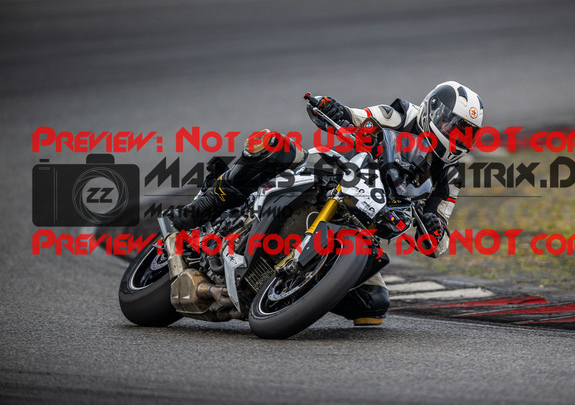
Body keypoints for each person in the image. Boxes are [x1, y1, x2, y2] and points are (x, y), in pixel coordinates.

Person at [168, 80, 484, 326]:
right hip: (337, 173)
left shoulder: (450, 176)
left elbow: (438, 240)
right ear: (433, 111)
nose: (457, 137)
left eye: (466, 134)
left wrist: (434, 227)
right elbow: (360, 117)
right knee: (272, 145)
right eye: (452, 125)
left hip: (370, 220)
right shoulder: (403, 115)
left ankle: (298, 293)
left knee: (374, 305)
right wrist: (336, 110)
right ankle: (206, 205)